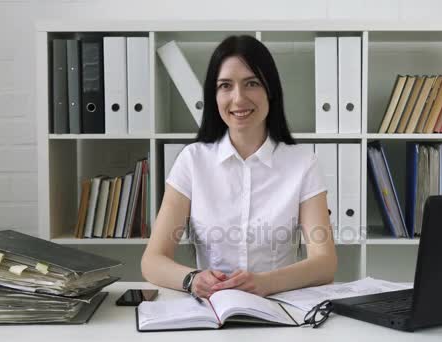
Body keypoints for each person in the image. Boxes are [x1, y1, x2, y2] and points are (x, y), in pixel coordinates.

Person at [141, 35, 337, 299]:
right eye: (225, 86)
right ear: (214, 95)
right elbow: (152, 261)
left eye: (252, 83)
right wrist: (192, 279)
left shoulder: (303, 162)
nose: (238, 98)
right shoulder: (192, 160)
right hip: (212, 310)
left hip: (279, 307)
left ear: (271, 90)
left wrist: (265, 283)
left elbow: (325, 263)